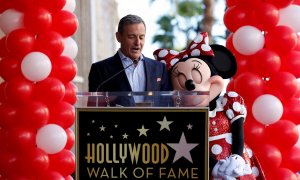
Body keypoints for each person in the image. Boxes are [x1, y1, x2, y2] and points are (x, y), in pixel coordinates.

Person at [154, 32, 265, 179]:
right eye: (181, 80)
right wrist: (214, 167)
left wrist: (237, 157)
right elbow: (192, 147)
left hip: (239, 165)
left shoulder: (228, 103)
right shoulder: (185, 120)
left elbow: (238, 131)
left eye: (196, 75)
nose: (190, 84)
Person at [88, 14, 171, 93]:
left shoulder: (160, 69)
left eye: (141, 37)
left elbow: (167, 103)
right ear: (118, 37)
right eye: (131, 37)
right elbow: (95, 105)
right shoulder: (100, 69)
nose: (138, 42)